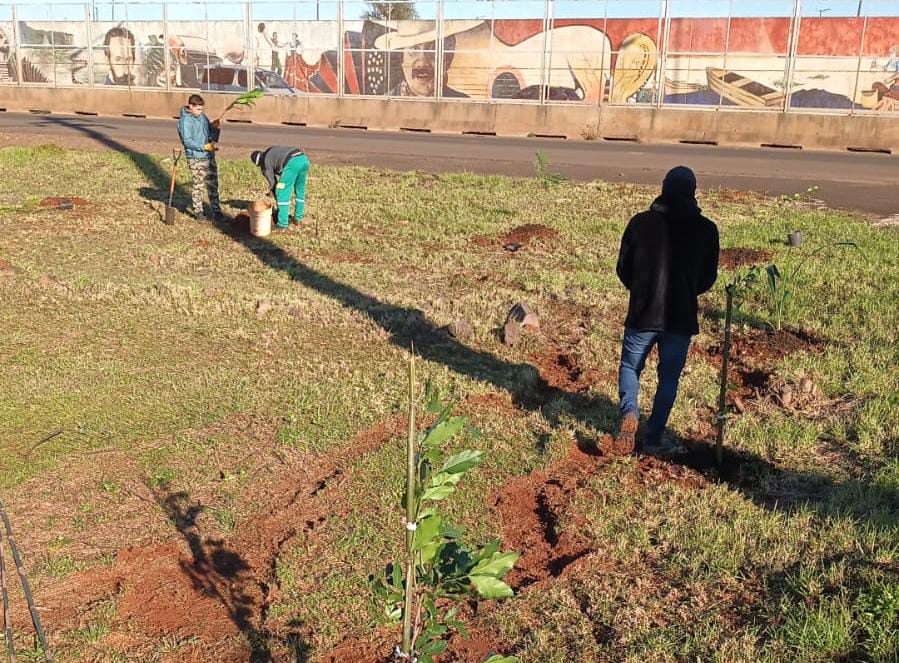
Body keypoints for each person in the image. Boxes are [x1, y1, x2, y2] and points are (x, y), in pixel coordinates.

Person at [614, 166, 719, 455]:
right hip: (680, 317)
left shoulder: (640, 223)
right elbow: (708, 277)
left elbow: (623, 268)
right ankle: (654, 438)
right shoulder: (707, 230)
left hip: (643, 312)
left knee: (630, 366)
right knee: (669, 378)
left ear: (663, 188)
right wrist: (687, 292)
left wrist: (641, 290)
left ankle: (630, 412)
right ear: (693, 192)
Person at [177, 94, 222, 221]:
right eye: (198, 109)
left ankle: (216, 211)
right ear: (190, 106)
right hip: (196, 158)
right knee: (198, 185)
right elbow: (187, 142)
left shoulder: (202, 117)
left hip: (208, 156)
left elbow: (209, 132)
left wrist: (214, 127)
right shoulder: (185, 121)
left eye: (202, 109)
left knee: (213, 184)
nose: (200, 112)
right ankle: (199, 212)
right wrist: (203, 147)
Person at [250, 147, 310, 231]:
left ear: (257, 164)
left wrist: (278, 199)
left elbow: (273, 184)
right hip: (303, 159)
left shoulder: (264, 164)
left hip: (292, 163)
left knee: (281, 192)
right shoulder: (270, 151)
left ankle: (282, 224)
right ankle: (298, 218)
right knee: (300, 190)